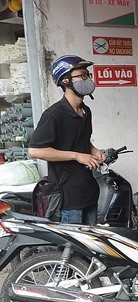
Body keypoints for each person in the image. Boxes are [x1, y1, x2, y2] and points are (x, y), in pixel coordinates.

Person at [28, 55, 105, 225]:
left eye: (87, 75)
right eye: (81, 75)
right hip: (68, 198)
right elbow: (35, 150)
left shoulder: (86, 111)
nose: (87, 79)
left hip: (88, 192)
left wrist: (95, 151)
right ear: (65, 80)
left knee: (90, 250)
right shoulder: (54, 115)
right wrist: (77, 156)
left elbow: (83, 140)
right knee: (69, 252)